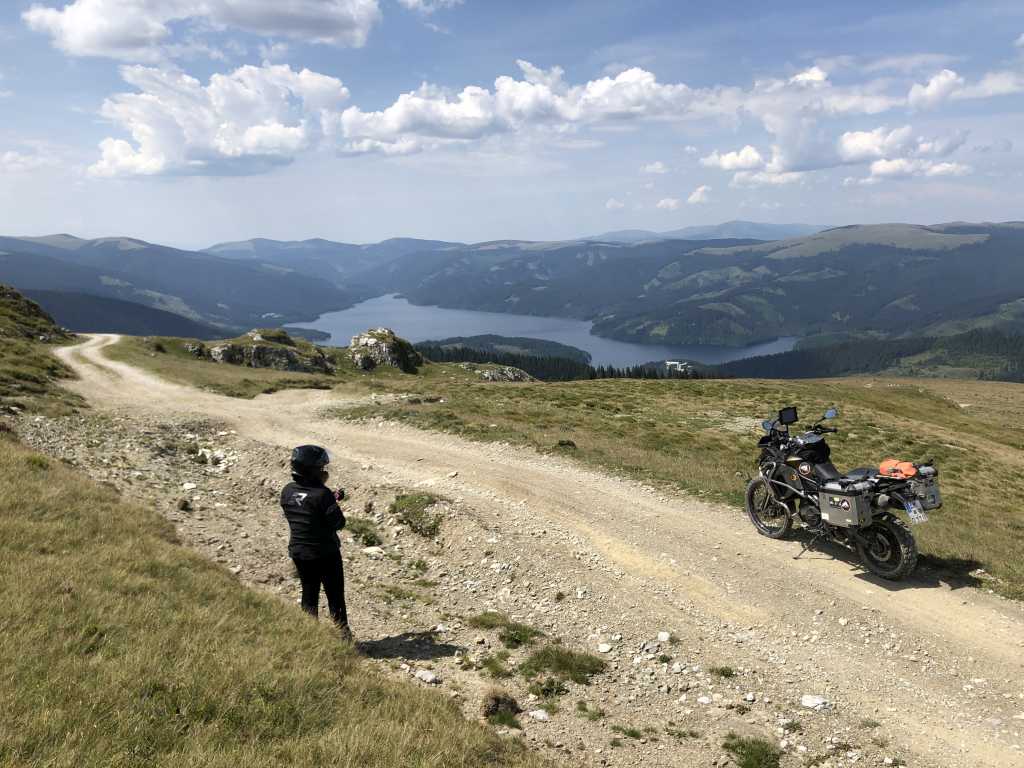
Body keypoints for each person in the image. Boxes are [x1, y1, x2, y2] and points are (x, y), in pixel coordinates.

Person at [280, 444, 352, 642]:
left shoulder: (287, 491)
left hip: (299, 552)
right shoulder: (323, 495)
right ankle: (344, 641)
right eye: (320, 468)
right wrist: (331, 499)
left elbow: (307, 507)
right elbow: (339, 523)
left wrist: (329, 497)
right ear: (311, 470)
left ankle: (309, 638)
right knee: (335, 597)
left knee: (309, 595)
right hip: (325, 554)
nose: (323, 471)